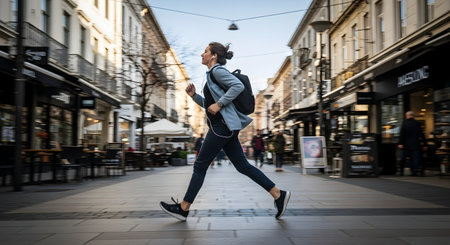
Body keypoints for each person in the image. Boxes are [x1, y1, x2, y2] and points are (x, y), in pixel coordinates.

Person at [159, 42, 290, 221]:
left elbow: (237, 87)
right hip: (224, 127)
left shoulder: (217, 71)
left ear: (213, 55)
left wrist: (219, 104)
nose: (201, 54)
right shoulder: (212, 73)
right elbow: (210, 105)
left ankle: (183, 207)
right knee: (242, 166)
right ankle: (278, 194)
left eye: (205, 51)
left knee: (200, 165)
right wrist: (194, 97)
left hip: (222, 127)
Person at [398, 111, 425, 176]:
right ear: (413, 116)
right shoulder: (417, 123)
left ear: (407, 116)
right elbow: (421, 134)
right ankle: (414, 171)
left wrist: (400, 143)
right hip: (416, 145)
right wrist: (425, 143)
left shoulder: (404, 123)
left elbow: (402, 134)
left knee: (403, 158)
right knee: (415, 159)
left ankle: (401, 171)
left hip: (406, 145)